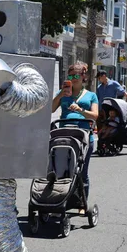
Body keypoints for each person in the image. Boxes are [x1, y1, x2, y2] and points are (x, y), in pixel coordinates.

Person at [51, 62, 99, 197]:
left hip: (83, 136)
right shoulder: (62, 93)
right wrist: (60, 95)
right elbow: (51, 109)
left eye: (76, 76)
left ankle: (81, 201)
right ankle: (61, 197)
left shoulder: (91, 95)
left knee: (82, 171)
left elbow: (95, 115)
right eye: (70, 76)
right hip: (64, 135)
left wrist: (80, 110)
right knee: (62, 169)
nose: (72, 79)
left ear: (83, 76)